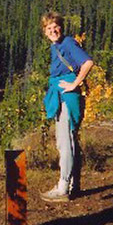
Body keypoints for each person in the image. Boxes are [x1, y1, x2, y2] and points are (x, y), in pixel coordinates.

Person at [41, 11, 94, 202]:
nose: (53, 30)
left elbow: (88, 63)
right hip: (63, 95)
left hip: (67, 96)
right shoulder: (57, 46)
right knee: (69, 140)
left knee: (65, 142)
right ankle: (73, 185)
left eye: (55, 26)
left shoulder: (68, 43)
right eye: (49, 28)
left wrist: (74, 84)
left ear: (61, 27)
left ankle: (63, 186)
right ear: (45, 32)